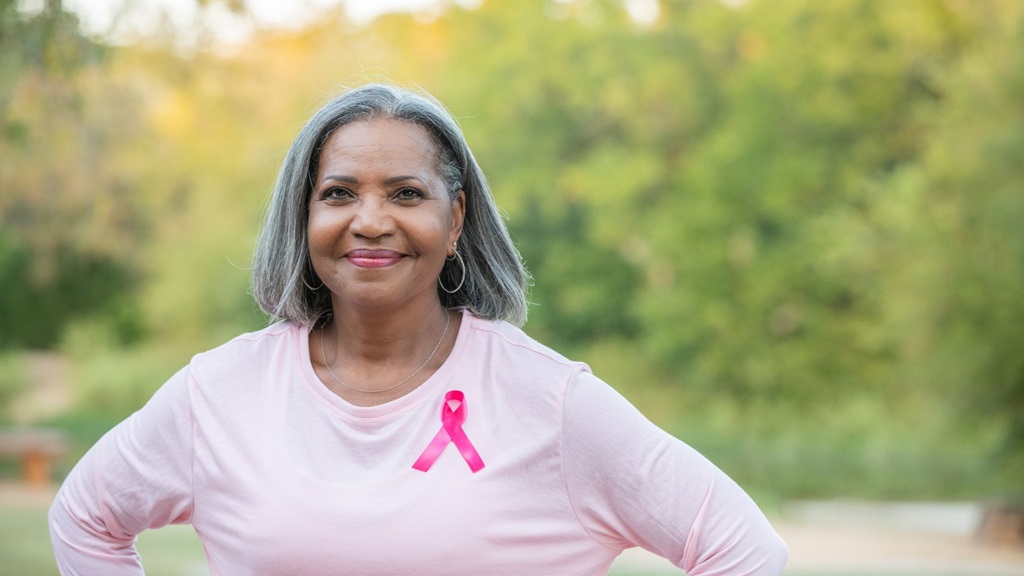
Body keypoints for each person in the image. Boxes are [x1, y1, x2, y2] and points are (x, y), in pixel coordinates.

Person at [49, 83, 788, 575]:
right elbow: (85, 519)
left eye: (406, 193)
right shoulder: (219, 393)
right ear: (304, 216)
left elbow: (743, 548)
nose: (370, 221)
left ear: (455, 216)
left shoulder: (548, 401)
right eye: (338, 193)